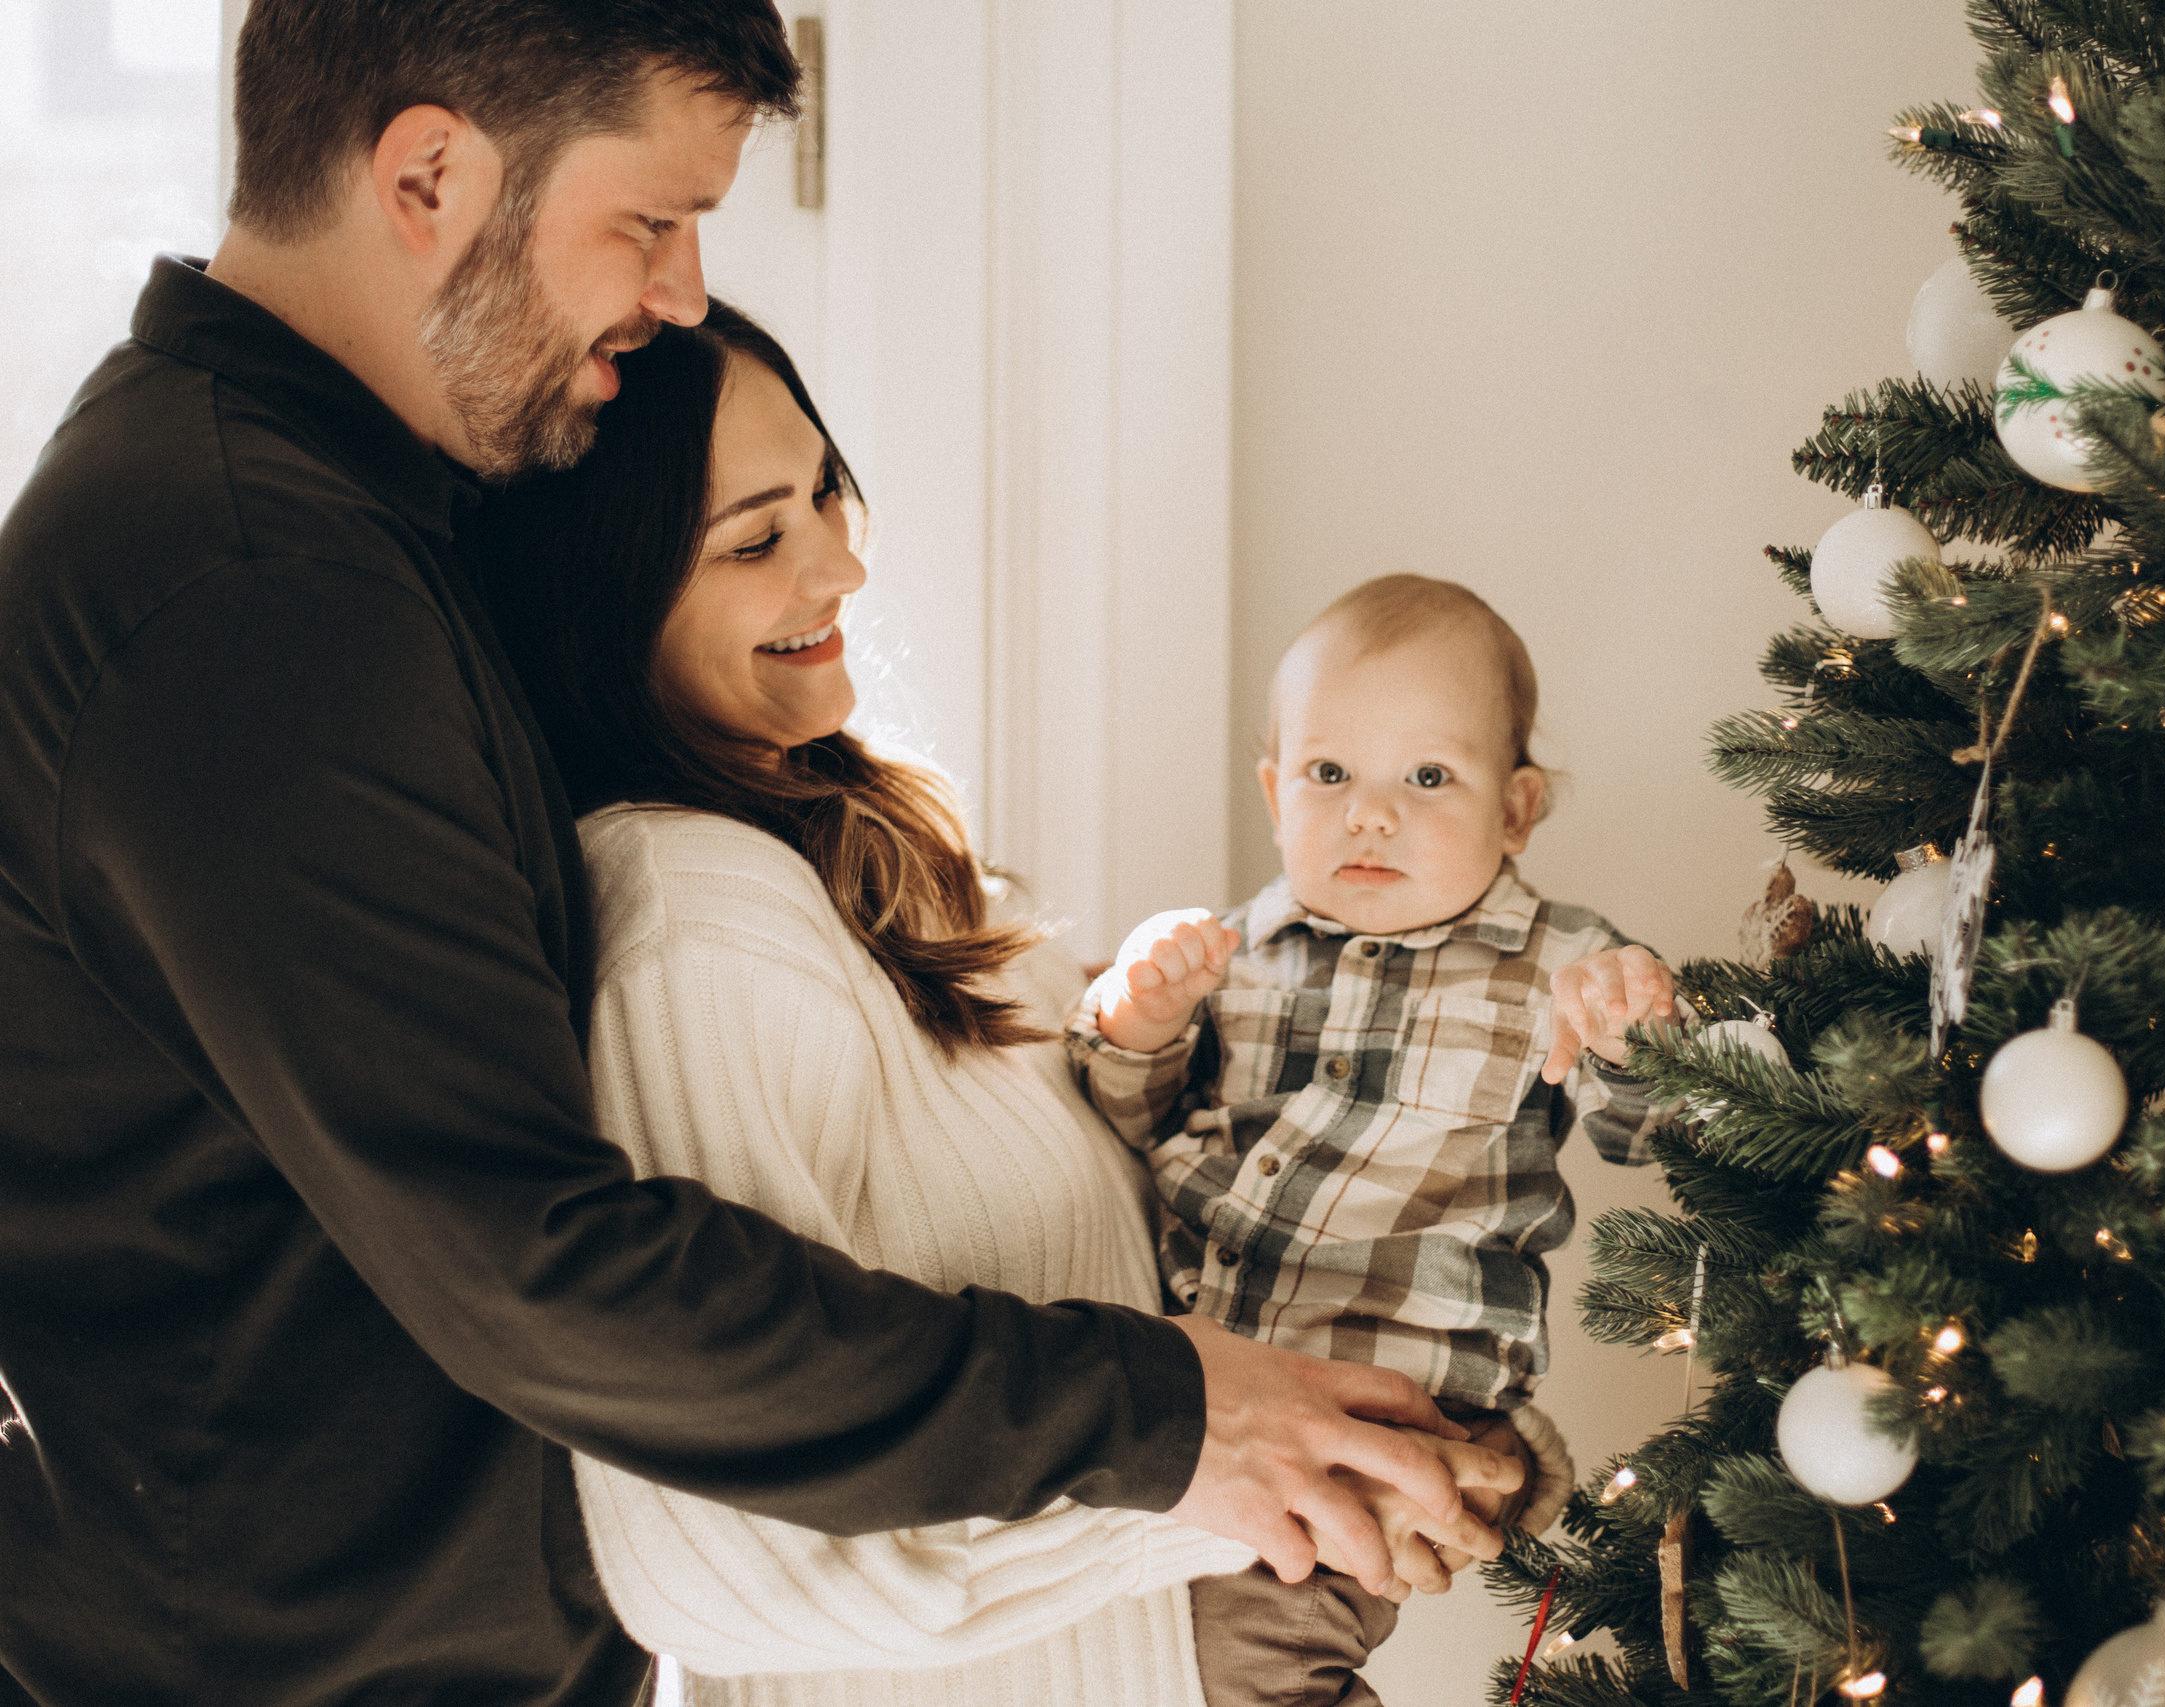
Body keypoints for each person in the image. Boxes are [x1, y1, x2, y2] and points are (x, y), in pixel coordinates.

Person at [0, 7, 1469, 1704]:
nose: (684, 292)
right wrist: (1165, 1419)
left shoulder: (339, 531)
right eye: (647, 223)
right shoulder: (249, 586)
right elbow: (533, 1262)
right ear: (427, 174)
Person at [470, 302, 1519, 1707]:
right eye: (753, 539)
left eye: (828, 491)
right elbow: (727, 1563)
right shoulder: (690, 915)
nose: (838, 562)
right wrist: (1231, 1475)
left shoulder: (872, 854)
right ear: (606, 594)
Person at [1067, 575, 1682, 1705]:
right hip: (1209, 1388)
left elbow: (1660, 1137)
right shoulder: (1237, 949)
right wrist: (1137, 1022)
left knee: (1253, 1657)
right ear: (1272, 790)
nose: (1369, 812)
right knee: (1128, 1640)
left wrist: (1637, 1034)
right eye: (1329, 774)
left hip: (1402, 1406)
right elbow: (1133, 1124)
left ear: (1516, 809)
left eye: (1428, 777)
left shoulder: (1560, 962)